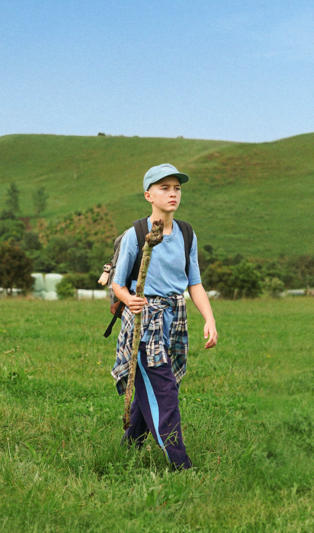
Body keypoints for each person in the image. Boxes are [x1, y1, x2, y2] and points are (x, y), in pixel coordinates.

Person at [111, 163, 218, 470]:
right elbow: (119, 284)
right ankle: (181, 465)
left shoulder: (186, 233)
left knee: (160, 387)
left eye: (177, 188)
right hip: (146, 321)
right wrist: (129, 299)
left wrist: (209, 319)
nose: (173, 194)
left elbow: (194, 282)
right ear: (149, 195)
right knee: (165, 391)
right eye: (165, 188)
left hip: (177, 318)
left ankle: (127, 450)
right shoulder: (137, 234)